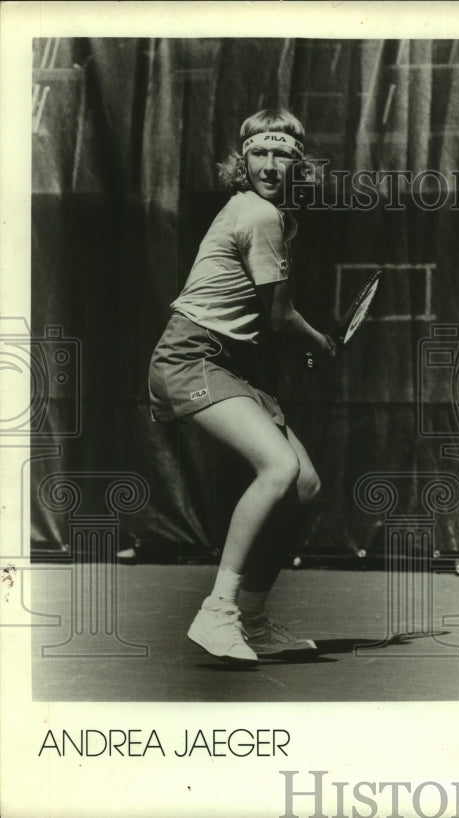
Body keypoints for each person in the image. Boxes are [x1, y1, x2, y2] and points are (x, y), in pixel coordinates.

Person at [149, 109, 336, 661]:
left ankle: (252, 621)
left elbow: (263, 320)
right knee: (278, 469)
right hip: (190, 356)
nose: (271, 165)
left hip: (230, 363)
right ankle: (219, 612)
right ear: (243, 160)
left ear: (299, 165)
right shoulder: (257, 214)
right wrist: (318, 343)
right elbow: (279, 319)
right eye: (260, 153)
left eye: (283, 155)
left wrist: (302, 343)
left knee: (304, 486)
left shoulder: (275, 218)